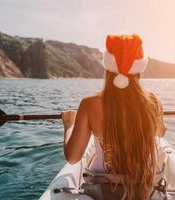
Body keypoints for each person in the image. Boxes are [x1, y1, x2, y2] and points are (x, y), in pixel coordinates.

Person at [62, 34, 166, 200]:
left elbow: (73, 158)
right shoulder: (152, 101)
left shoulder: (89, 104)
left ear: (107, 67)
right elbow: (160, 133)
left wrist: (69, 125)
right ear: (139, 68)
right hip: (144, 188)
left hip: (102, 190)